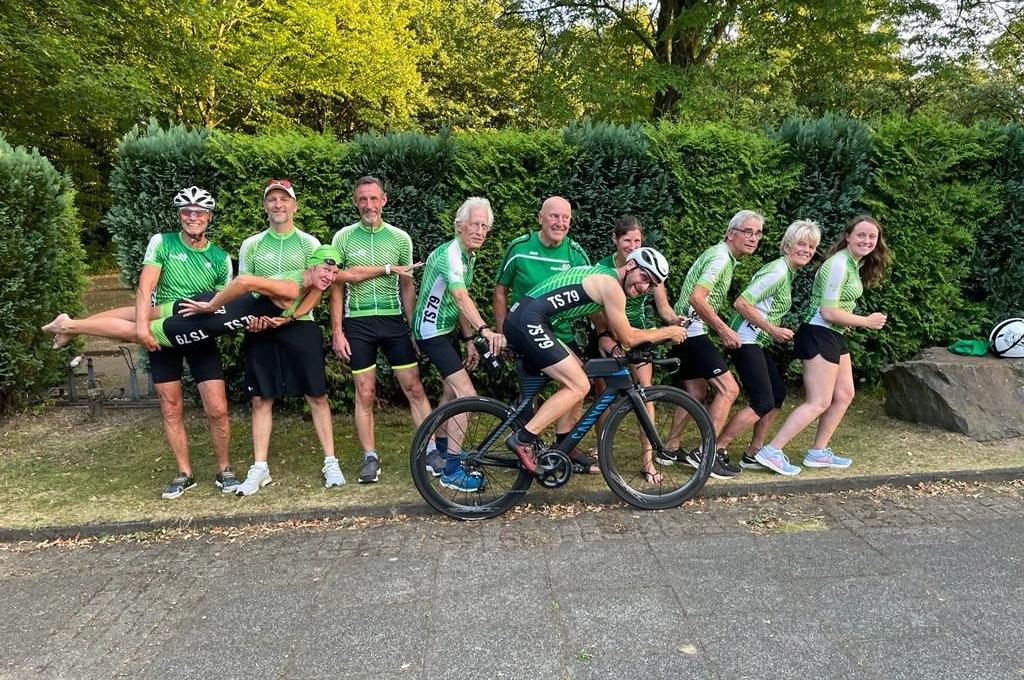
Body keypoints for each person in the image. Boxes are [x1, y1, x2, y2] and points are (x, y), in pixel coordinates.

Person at [50, 186, 237, 500]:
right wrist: (141, 330)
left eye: (199, 212)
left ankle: (225, 469)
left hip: (199, 336)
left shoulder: (220, 258)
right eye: (187, 212)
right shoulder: (162, 242)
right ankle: (184, 473)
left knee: (217, 409)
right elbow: (144, 287)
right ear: (180, 216)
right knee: (171, 406)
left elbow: (224, 303)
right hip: (161, 330)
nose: (193, 217)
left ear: (209, 217)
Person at [502, 248, 687, 481]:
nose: (643, 287)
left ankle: (562, 446)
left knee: (580, 371)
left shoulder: (606, 275)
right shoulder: (611, 286)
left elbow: (616, 329)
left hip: (527, 317)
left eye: (651, 285)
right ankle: (523, 439)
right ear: (630, 265)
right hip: (528, 320)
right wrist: (669, 331)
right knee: (578, 384)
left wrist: (609, 339)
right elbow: (629, 337)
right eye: (644, 277)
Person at [754, 215, 891, 475]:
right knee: (818, 401)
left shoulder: (852, 264)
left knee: (845, 394)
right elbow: (827, 311)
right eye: (861, 235)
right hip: (819, 333)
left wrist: (848, 320)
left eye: (872, 236)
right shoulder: (838, 264)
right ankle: (772, 451)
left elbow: (837, 309)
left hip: (834, 334)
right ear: (848, 236)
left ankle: (818, 452)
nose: (867, 240)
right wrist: (866, 321)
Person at [234, 179, 341, 497]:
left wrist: (290, 317)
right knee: (260, 398)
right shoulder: (251, 244)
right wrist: (252, 320)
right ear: (265, 206)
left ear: (294, 205)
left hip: (299, 324)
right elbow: (244, 290)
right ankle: (260, 467)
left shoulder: (310, 244)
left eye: (284, 199)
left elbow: (318, 288)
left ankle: (331, 461)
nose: (278, 205)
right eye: (272, 200)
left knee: (317, 395)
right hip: (261, 327)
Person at [329, 176, 433, 484]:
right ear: (355, 201)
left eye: (374, 199)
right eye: (362, 199)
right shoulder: (343, 238)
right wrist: (337, 330)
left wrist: (413, 328)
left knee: (414, 387)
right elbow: (336, 284)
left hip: (392, 321)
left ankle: (428, 451)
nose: (368, 205)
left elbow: (407, 286)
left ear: (384, 200)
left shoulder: (400, 238)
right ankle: (370, 457)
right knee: (365, 392)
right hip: (358, 322)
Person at [412, 197, 506, 493]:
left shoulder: (468, 255)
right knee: (467, 394)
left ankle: (439, 451)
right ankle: (451, 471)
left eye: (484, 226)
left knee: (451, 390)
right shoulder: (452, 254)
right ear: (458, 226)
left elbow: (457, 300)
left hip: (446, 329)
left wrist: (468, 340)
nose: (479, 231)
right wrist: (485, 331)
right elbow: (462, 298)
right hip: (431, 332)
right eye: (474, 224)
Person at [493, 196, 593, 471]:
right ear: (540, 218)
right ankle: (526, 447)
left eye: (566, 218)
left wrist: (606, 333)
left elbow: (595, 293)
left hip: (560, 332)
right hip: (525, 331)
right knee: (530, 394)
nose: (560, 223)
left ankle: (564, 445)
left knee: (577, 382)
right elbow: (500, 290)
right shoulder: (520, 247)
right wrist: (502, 332)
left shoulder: (575, 253)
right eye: (554, 216)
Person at [662, 210, 764, 479]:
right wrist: (724, 330)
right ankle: (705, 454)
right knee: (729, 390)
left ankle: (669, 449)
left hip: (684, 331)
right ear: (731, 234)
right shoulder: (720, 258)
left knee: (695, 392)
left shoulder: (721, 255)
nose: (754, 238)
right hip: (692, 331)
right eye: (747, 231)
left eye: (758, 233)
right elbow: (697, 298)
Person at [714, 220, 822, 473]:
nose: (807, 250)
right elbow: (741, 303)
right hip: (744, 340)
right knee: (763, 401)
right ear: (788, 245)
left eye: (811, 246)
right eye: (801, 244)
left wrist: (770, 331)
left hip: (756, 341)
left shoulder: (787, 272)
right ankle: (715, 449)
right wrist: (772, 330)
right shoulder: (777, 272)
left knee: (777, 395)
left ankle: (754, 452)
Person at [591, 217, 689, 482]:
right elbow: (595, 310)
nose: (632, 245)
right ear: (615, 240)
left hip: (640, 334)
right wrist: (604, 336)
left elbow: (663, 305)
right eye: (627, 240)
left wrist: (672, 321)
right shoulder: (603, 269)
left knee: (645, 394)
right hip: (612, 335)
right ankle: (602, 452)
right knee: (604, 396)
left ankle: (647, 460)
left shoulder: (649, 266)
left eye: (637, 240)